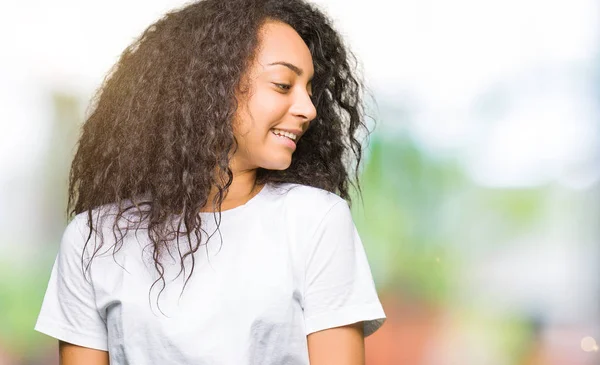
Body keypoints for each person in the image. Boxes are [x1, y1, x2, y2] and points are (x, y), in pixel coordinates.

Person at [34, 0, 386, 364]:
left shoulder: (315, 220)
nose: (309, 109)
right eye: (283, 85)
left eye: (309, 89)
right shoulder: (94, 238)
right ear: (211, 86)